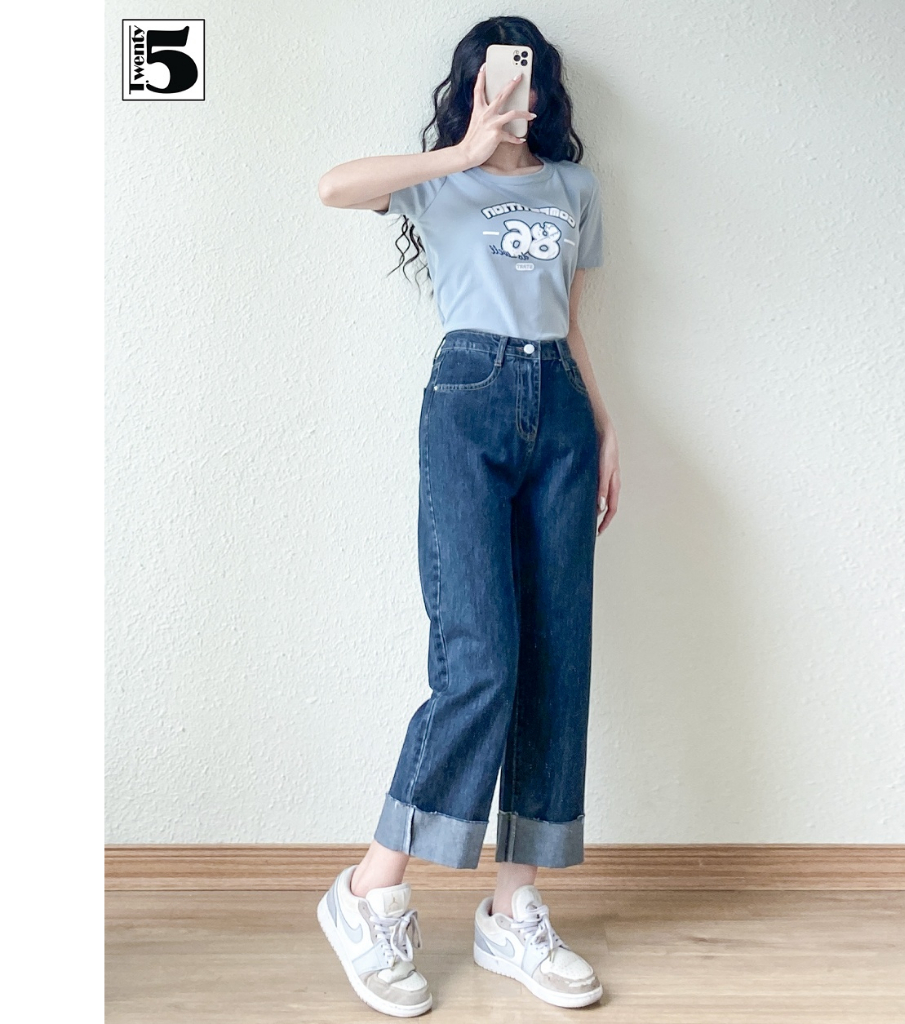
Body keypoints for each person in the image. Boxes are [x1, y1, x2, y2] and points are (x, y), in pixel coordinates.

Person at [315, 17, 620, 1017]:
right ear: (476, 84)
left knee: (554, 658)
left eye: (530, 75)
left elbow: (570, 320)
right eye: (498, 74)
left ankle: (512, 908)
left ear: (547, 88)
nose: (518, 90)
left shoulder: (575, 188)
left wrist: (604, 427)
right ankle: (369, 890)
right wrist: (463, 150)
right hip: (468, 400)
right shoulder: (442, 180)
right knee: (479, 656)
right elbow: (332, 186)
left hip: (560, 411)